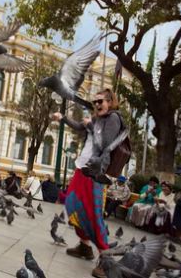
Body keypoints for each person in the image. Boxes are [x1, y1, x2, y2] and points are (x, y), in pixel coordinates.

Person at [52, 88, 124, 277]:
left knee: (93, 214)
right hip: (81, 167)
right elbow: (78, 126)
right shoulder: (97, 119)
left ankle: (106, 259)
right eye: (95, 102)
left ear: (110, 102)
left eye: (101, 101)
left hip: (95, 173)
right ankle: (84, 246)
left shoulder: (113, 119)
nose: (97, 105)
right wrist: (62, 118)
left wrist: (91, 126)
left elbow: (106, 143)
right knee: (72, 204)